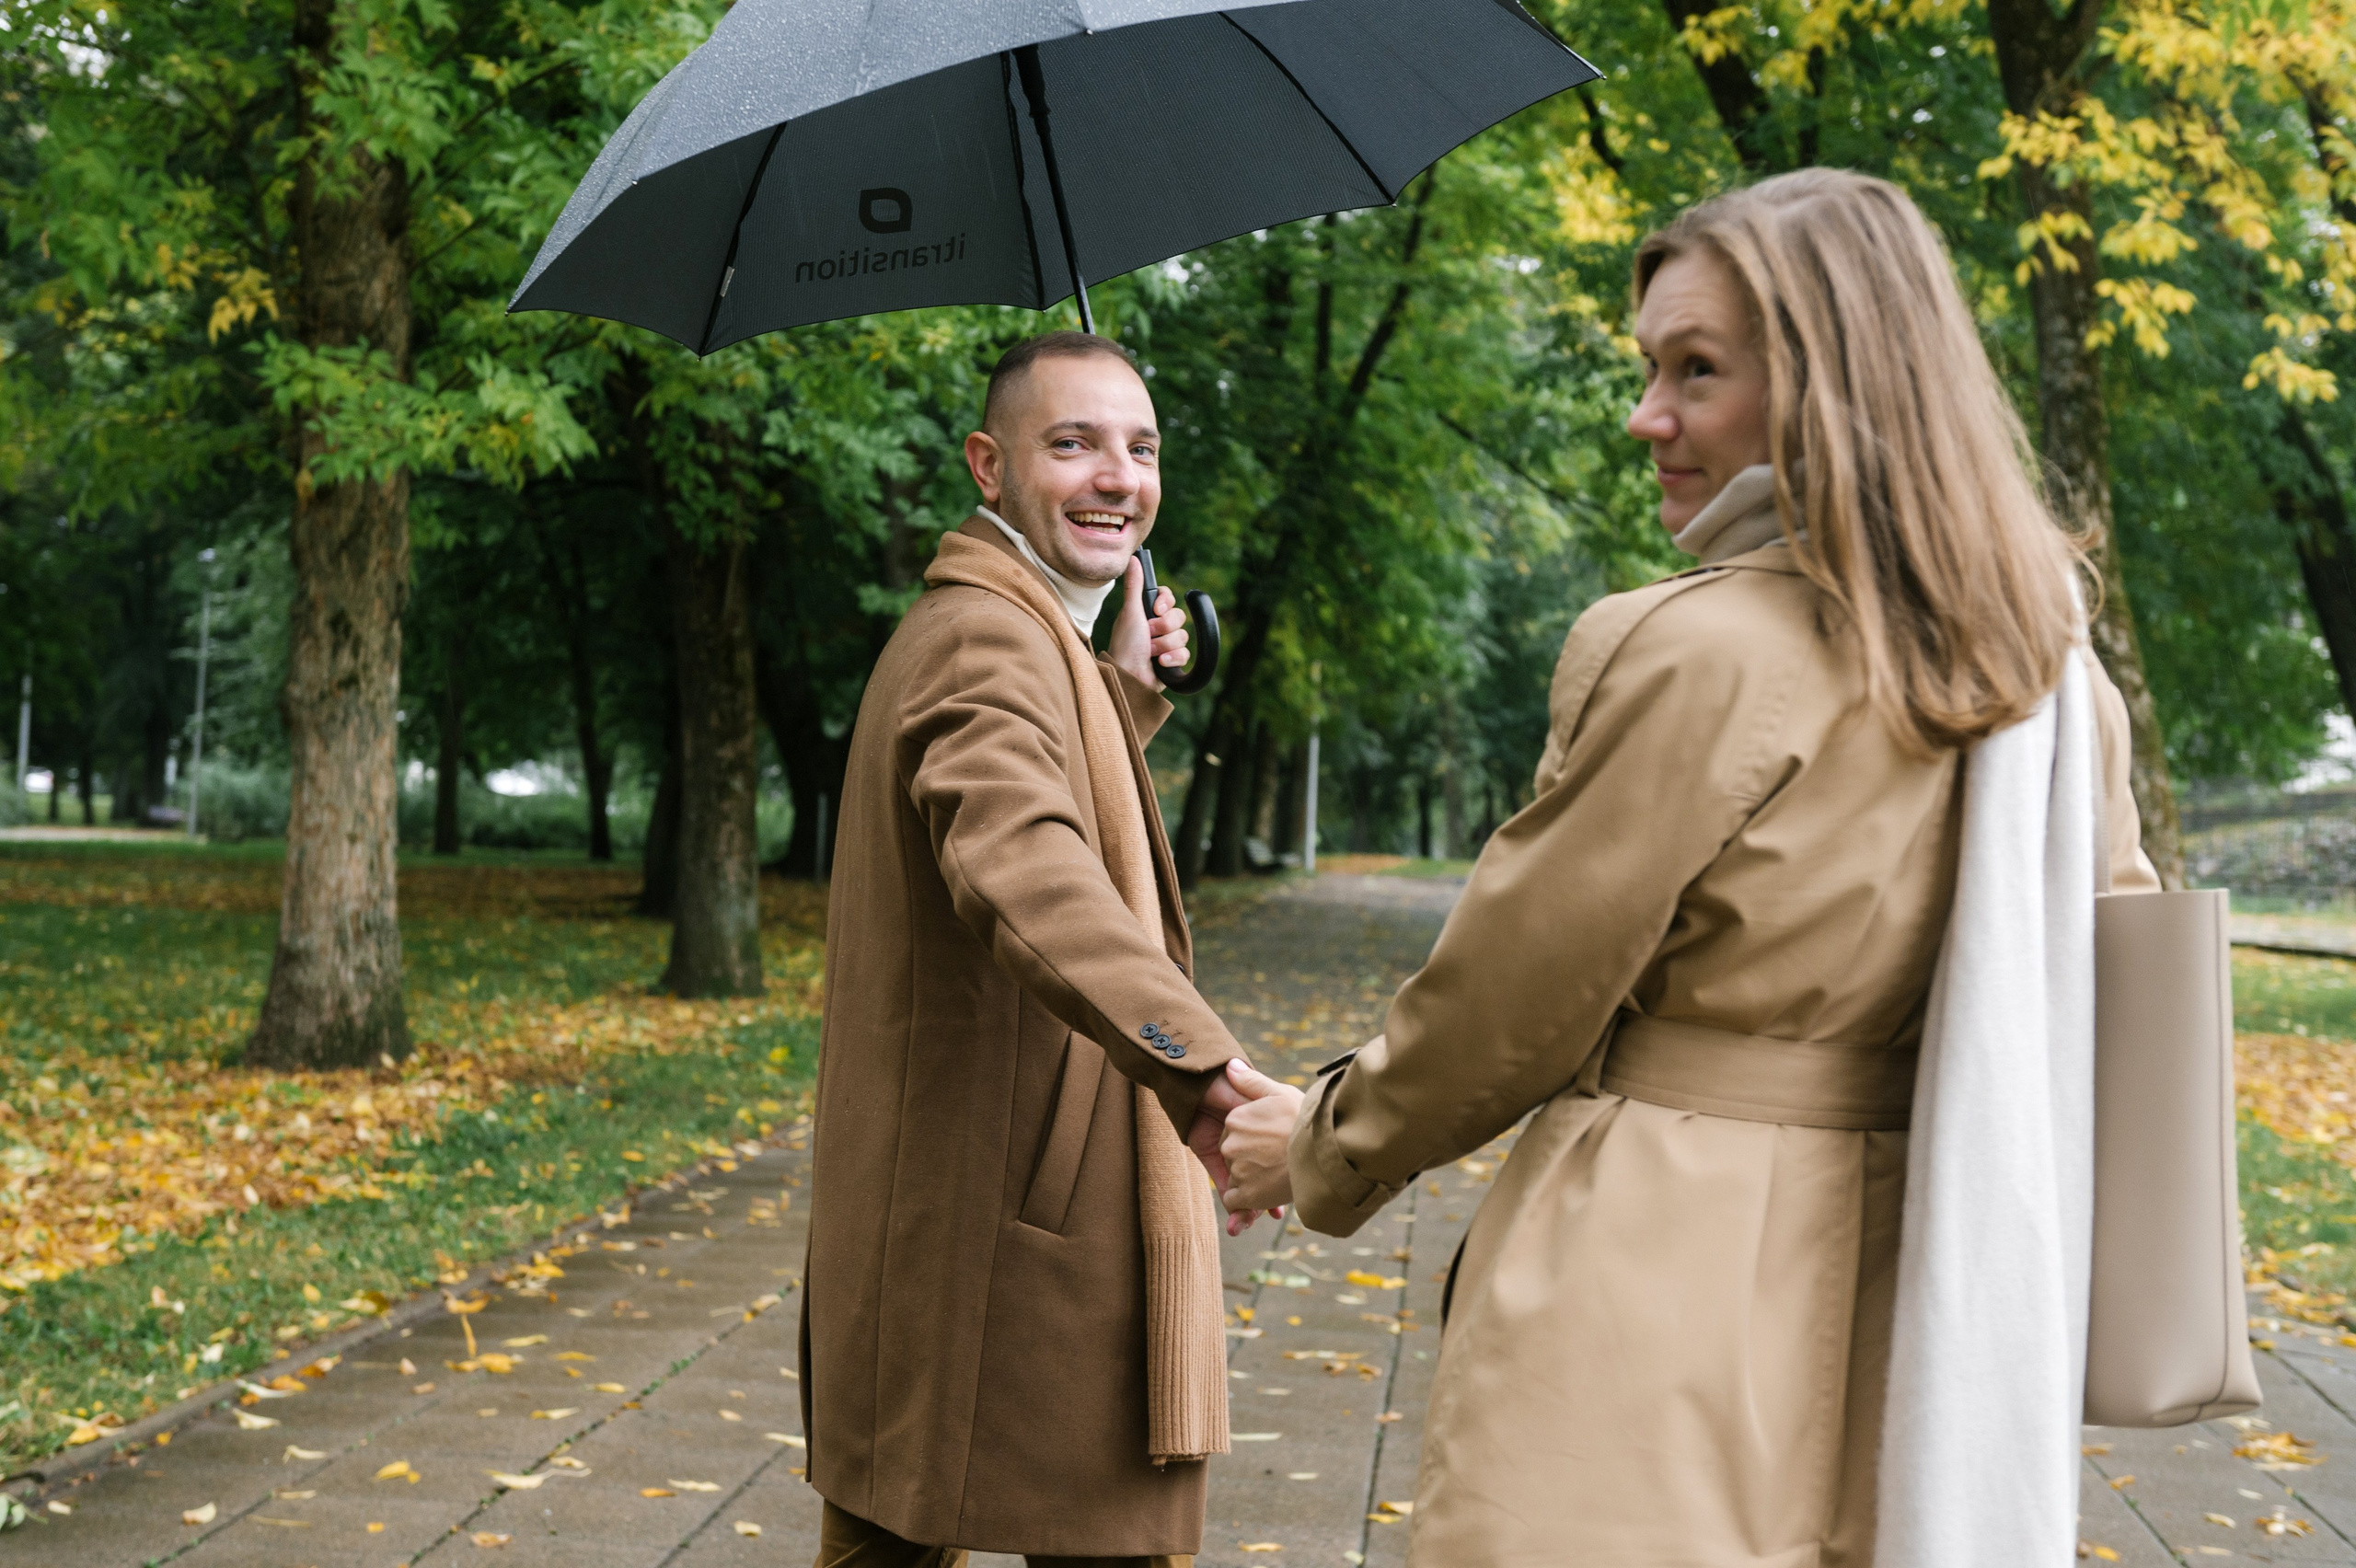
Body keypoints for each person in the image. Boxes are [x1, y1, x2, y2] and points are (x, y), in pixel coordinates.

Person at [1210, 168, 2161, 1564]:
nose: (1647, 416)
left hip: (1661, 1274)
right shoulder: (2050, 682)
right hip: (1939, 1310)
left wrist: (1315, 1143)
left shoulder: (1695, 651)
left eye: (1696, 370)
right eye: (1653, 367)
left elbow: (1511, 1002)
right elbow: (2111, 982)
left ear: (1835, 386)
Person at [801, 332, 1253, 1568]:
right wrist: (1198, 1067)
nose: (1120, 477)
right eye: (1075, 444)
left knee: (895, 1528)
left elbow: (1056, 784)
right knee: (1090, 1537)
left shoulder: (1025, 631)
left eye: (1141, 447)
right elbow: (1025, 865)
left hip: (974, 1194)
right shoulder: (989, 641)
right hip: (1011, 1203)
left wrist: (1124, 693)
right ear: (988, 466)